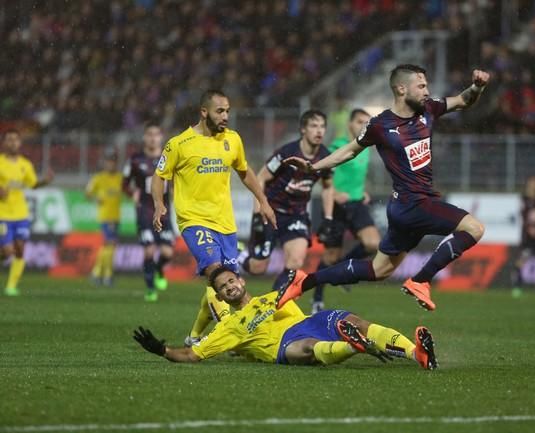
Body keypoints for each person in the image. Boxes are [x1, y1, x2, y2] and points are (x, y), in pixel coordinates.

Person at [278, 64, 490, 311]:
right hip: (414, 204)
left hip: (405, 208)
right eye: (421, 86)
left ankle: (306, 282)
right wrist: (313, 168)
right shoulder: (380, 125)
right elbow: (348, 151)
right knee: (474, 228)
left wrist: (477, 87)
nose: (426, 91)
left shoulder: (429, 109)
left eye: (426, 86)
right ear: (401, 88)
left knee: (378, 270)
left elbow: (463, 100)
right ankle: (421, 280)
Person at [151, 89, 276, 346]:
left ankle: (195, 336)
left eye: (228, 111)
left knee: (220, 283)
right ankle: (233, 334)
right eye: (220, 111)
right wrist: (159, 204)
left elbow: (245, 171)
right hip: (194, 221)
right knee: (218, 274)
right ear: (204, 112)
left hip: (225, 224)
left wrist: (263, 201)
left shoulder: (233, 140)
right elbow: (159, 175)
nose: (226, 116)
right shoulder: (179, 144)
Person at [133, 267, 437, 370]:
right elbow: (192, 354)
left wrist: (298, 277)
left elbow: (301, 281)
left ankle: (416, 353)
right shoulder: (231, 326)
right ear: (223, 298)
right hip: (284, 345)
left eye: (231, 281)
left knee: (354, 320)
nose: (230, 286)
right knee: (306, 348)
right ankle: (352, 346)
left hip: (310, 321)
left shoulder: (274, 297)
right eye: (224, 288)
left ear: (241, 281)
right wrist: (163, 351)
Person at [239, 110, 337, 293]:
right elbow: (260, 178)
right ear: (303, 130)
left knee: (296, 263)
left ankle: (273, 303)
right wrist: (257, 214)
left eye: (322, 126)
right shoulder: (287, 153)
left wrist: (329, 218)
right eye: (314, 126)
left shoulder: (325, 157)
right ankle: (239, 253)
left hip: (296, 215)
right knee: (257, 268)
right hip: (271, 211)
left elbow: (327, 186)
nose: (319, 131)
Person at [311, 108, 381, 313]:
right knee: (329, 257)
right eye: (360, 121)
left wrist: (363, 190)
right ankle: (317, 297)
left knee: (373, 243)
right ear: (350, 124)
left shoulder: (366, 147)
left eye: (367, 122)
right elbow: (324, 177)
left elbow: (356, 175)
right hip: (337, 205)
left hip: (357, 203)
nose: (364, 125)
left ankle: (342, 267)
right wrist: (334, 193)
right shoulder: (337, 146)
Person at [123, 121, 174, 302]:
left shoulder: (169, 158)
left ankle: (160, 270)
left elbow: (177, 181)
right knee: (149, 251)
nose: (153, 138)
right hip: (144, 211)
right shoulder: (135, 160)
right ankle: (151, 289)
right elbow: (124, 184)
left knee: (168, 252)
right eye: (149, 134)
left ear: (161, 137)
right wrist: (132, 192)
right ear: (145, 137)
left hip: (164, 211)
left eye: (156, 134)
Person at [0, 129, 54, 296]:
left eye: (15, 140)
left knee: (20, 249)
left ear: (20, 143)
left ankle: (11, 286)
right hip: (2, 214)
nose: (13, 143)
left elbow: (33, 184)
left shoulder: (25, 164)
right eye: (9, 139)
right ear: (4, 143)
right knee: (7, 251)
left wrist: (45, 181)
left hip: (21, 214)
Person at [86, 150, 122, 287]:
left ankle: (96, 273)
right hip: (105, 216)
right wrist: (97, 199)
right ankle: (107, 275)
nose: (111, 164)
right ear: (105, 163)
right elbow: (88, 193)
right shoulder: (99, 178)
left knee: (108, 246)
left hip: (116, 216)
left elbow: (128, 191)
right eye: (109, 161)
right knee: (110, 244)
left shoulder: (120, 178)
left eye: (113, 161)